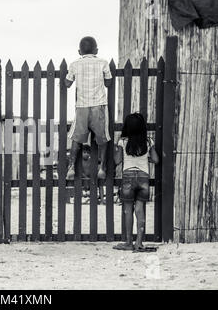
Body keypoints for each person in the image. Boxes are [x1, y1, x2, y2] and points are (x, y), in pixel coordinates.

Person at [65, 36, 113, 181]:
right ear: (96, 50)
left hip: (82, 107)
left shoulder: (74, 64)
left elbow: (67, 84)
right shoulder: (103, 63)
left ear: (79, 51)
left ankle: (71, 167)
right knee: (103, 138)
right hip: (99, 106)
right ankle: (102, 168)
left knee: (76, 138)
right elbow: (109, 83)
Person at [113, 113, 159, 252]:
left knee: (128, 210)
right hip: (143, 178)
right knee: (139, 210)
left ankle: (128, 242)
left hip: (128, 177)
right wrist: (147, 160)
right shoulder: (148, 141)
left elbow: (117, 161)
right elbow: (156, 160)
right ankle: (139, 243)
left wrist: (116, 146)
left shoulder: (123, 142)